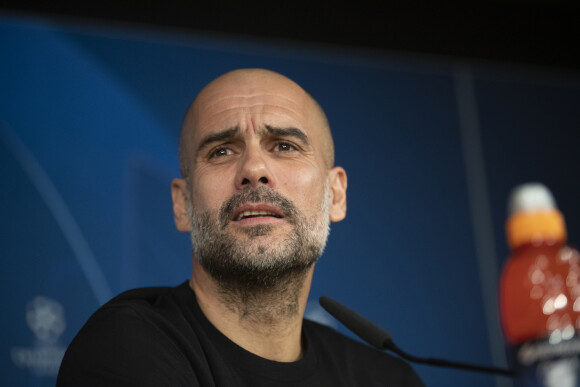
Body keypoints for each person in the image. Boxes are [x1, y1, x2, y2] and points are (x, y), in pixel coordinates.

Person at [57, 69, 424, 386]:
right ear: (182, 204)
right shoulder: (127, 348)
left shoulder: (387, 378)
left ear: (336, 194)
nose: (254, 169)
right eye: (221, 151)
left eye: (283, 145)